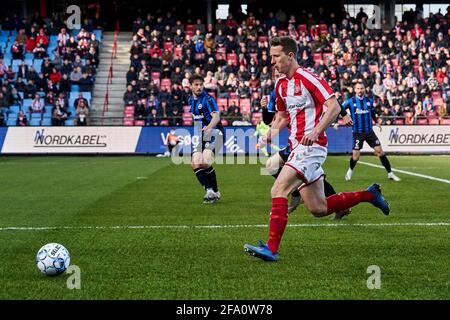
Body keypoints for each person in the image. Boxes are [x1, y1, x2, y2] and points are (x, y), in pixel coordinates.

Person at [244, 37, 391, 262]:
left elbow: (334, 107)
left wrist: (316, 130)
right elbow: (282, 116)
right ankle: (369, 194)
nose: (272, 61)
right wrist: (269, 134)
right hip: (296, 148)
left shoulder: (309, 78)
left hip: (312, 148)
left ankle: (272, 248)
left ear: (290, 55)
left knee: (278, 190)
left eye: (276, 56)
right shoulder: (280, 84)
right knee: (318, 208)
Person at [343, 82, 401, 182]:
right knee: (356, 157)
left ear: (364, 89)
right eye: (358, 88)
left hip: (370, 132)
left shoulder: (369, 100)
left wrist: (376, 121)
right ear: (355, 90)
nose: (360, 90)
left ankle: (390, 173)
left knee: (380, 152)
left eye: (361, 88)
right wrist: (340, 119)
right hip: (358, 133)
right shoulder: (350, 101)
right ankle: (350, 171)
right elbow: (340, 109)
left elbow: (372, 112)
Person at [189, 74, 223, 204]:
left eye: (200, 84)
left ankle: (214, 191)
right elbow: (196, 120)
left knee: (205, 161)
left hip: (214, 131)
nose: (198, 87)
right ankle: (210, 191)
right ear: (191, 86)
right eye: (196, 85)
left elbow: (216, 117)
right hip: (200, 134)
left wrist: (209, 127)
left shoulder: (208, 99)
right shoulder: (190, 100)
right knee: (195, 163)